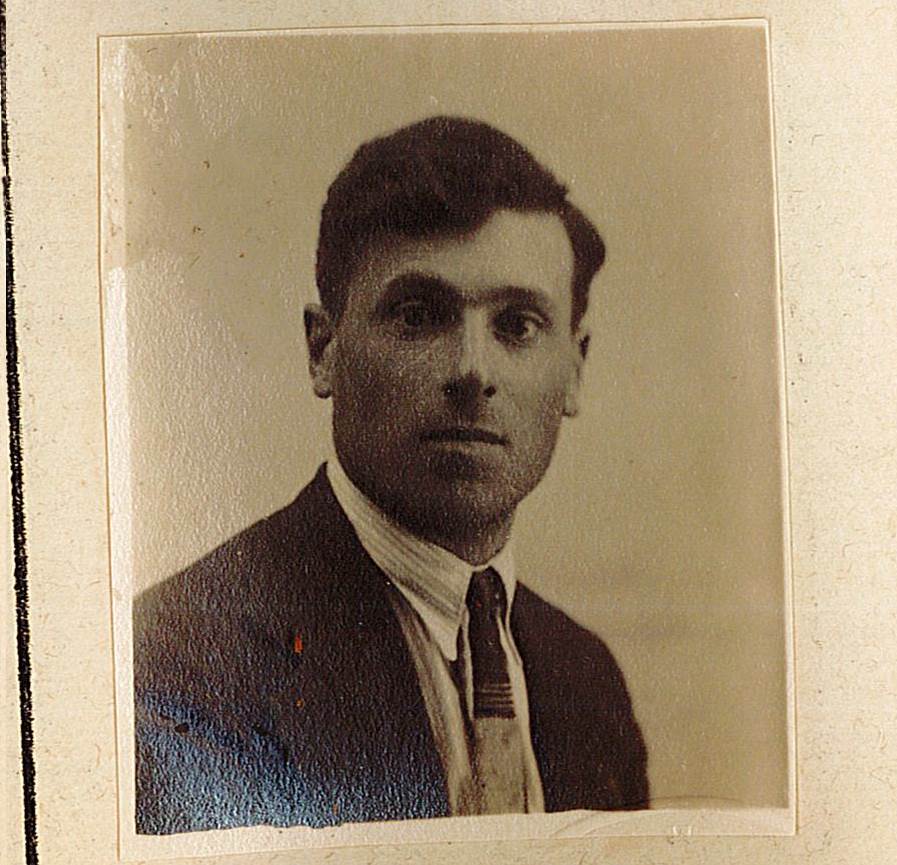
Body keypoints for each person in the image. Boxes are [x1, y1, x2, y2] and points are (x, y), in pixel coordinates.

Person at [133, 116, 649, 835]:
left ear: (575, 368)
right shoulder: (179, 662)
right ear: (324, 349)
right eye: (418, 315)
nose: (472, 370)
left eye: (518, 325)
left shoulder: (586, 680)